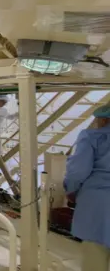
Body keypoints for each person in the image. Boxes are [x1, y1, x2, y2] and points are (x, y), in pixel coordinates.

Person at [64, 105, 110, 271]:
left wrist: (70, 190)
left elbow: (78, 171)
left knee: (95, 256)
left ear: (104, 119)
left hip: (99, 205)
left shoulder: (92, 137)